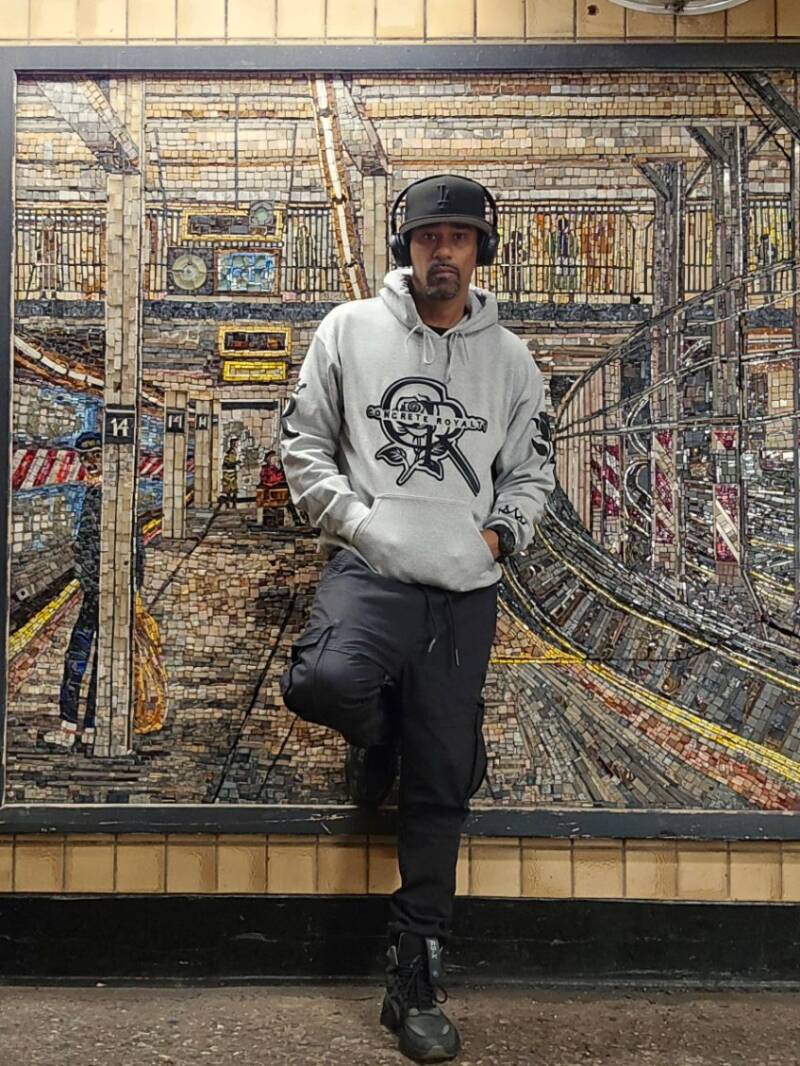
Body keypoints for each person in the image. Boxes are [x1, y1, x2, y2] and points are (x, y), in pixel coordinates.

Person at [279, 174, 555, 1063]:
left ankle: (416, 978)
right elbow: (303, 444)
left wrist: (496, 541)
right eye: (430, 237)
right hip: (371, 568)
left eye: (460, 238)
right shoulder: (348, 331)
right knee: (324, 682)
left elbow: (532, 474)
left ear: (481, 252)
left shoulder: (511, 361)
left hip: (465, 592)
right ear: (407, 248)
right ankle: (390, 734)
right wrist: (360, 524)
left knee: (441, 786)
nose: (445, 252)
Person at [44, 430, 145, 751]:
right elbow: (135, 544)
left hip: (100, 590)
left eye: (95, 456)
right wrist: (134, 586)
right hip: (112, 587)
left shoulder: (101, 494)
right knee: (99, 656)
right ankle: (88, 725)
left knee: (78, 655)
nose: (89, 462)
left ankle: (70, 725)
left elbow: (96, 545)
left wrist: (88, 579)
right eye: (85, 458)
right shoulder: (115, 491)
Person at [220, 436, 240, 508]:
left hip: (231, 472)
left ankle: (232, 503)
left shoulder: (234, 451)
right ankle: (230, 503)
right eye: (236, 443)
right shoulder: (231, 452)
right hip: (229, 473)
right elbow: (228, 463)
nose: (238, 444)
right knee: (230, 488)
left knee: (233, 488)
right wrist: (236, 462)